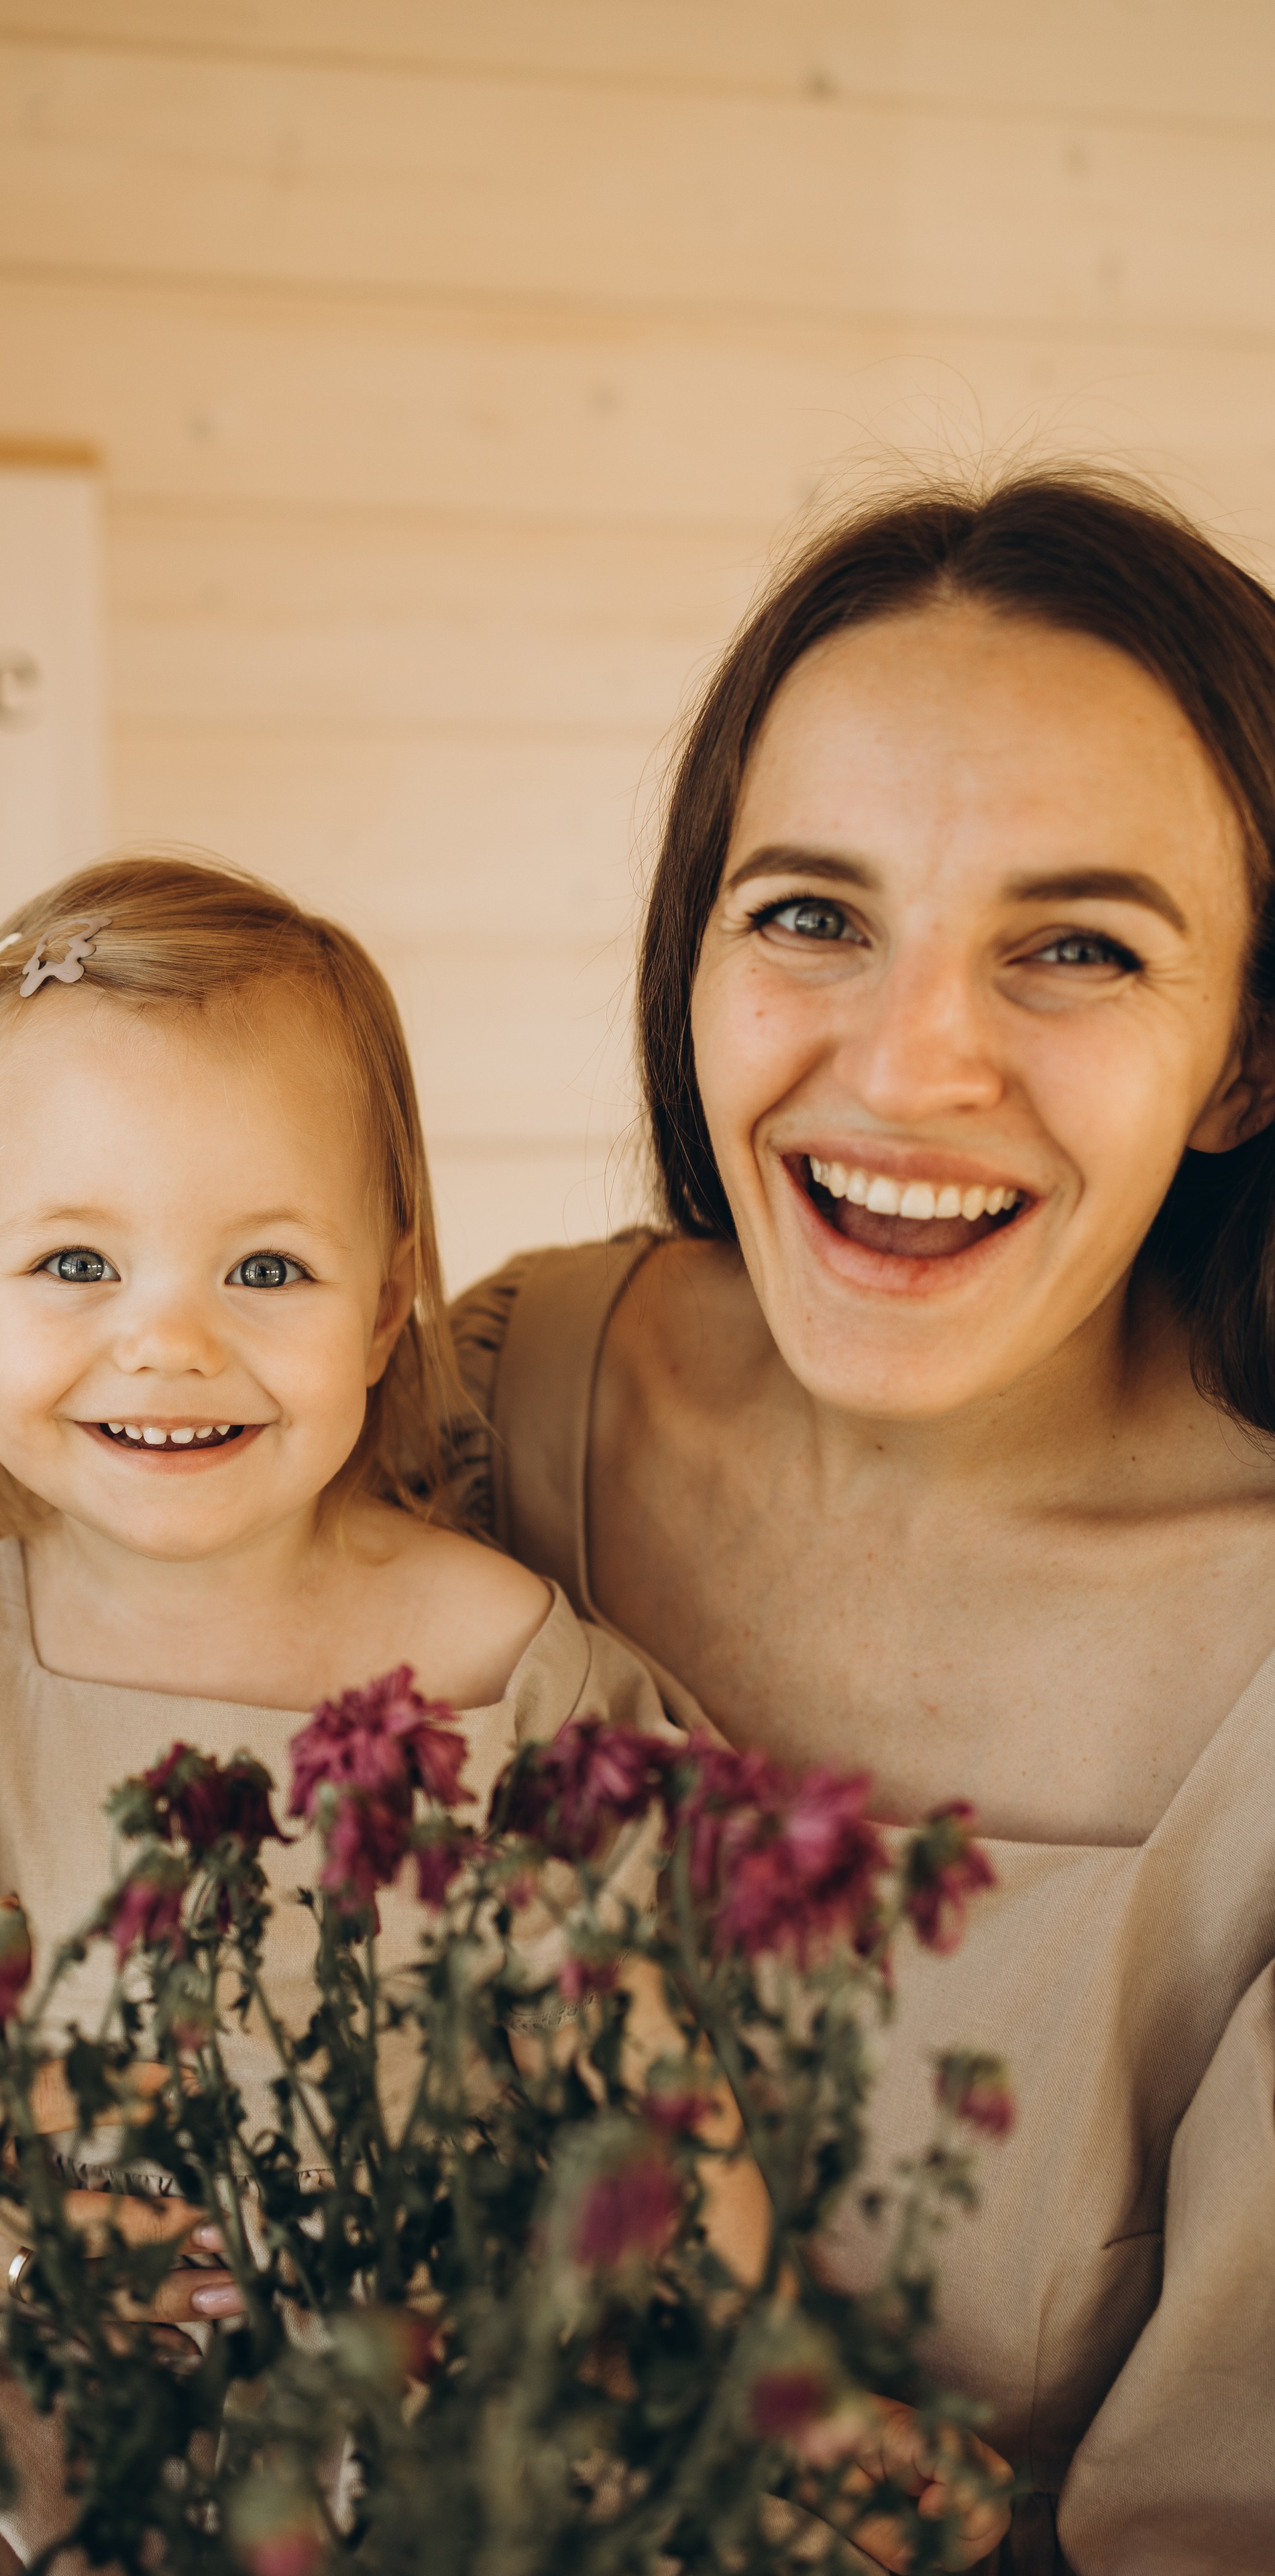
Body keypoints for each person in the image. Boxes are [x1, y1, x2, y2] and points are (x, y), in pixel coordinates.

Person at [0, 855, 999, 2569]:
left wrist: (781, 2378)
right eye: (74, 1265)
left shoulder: (507, 1666)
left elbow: (663, 2072)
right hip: (43, 2351)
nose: (166, 1342)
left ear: (389, 1285)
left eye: (263, 1271)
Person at [442, 471, 1275, 2576]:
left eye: (1074, 947)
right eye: (810, 913)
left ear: (1246, 1056)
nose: (909, 1066)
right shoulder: (484, 1398)